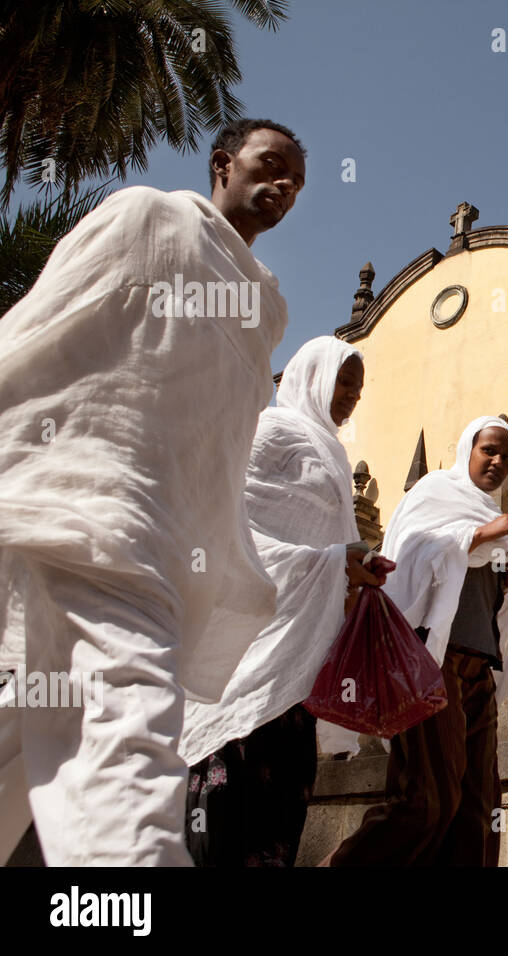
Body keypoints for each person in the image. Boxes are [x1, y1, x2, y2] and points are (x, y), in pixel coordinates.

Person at [0, 119, 306, 865]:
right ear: (223, 164)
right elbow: (46, 328)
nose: (284, 186)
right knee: (129, 741)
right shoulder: (150, 218)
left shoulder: (268, 309)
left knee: (27, 730)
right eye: (271, 166)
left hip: (174, 546)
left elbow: (223, 440)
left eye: (297, 181)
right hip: (96, 506)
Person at [180, 336, 386, 866]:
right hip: (248, 659)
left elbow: (329, 543)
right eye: (344, 381)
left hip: (299, 670)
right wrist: (328, 561)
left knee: (278, 827)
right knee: (224, 822)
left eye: (358, 390)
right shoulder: (272, 431)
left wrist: (353, 567)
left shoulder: (333, 455)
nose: (351, 396)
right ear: (312, 376)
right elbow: (226, 522)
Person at [328, 415, 508, 867]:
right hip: (430, 666)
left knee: (478, 809)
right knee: (424, 801)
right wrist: (479, 536)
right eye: (489, 450)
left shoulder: (492, 518)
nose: (498, 461)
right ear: (469, 448)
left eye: (506, 455)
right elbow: (409, 559)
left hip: (478, 671)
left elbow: (474, 599)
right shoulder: (432, 495)